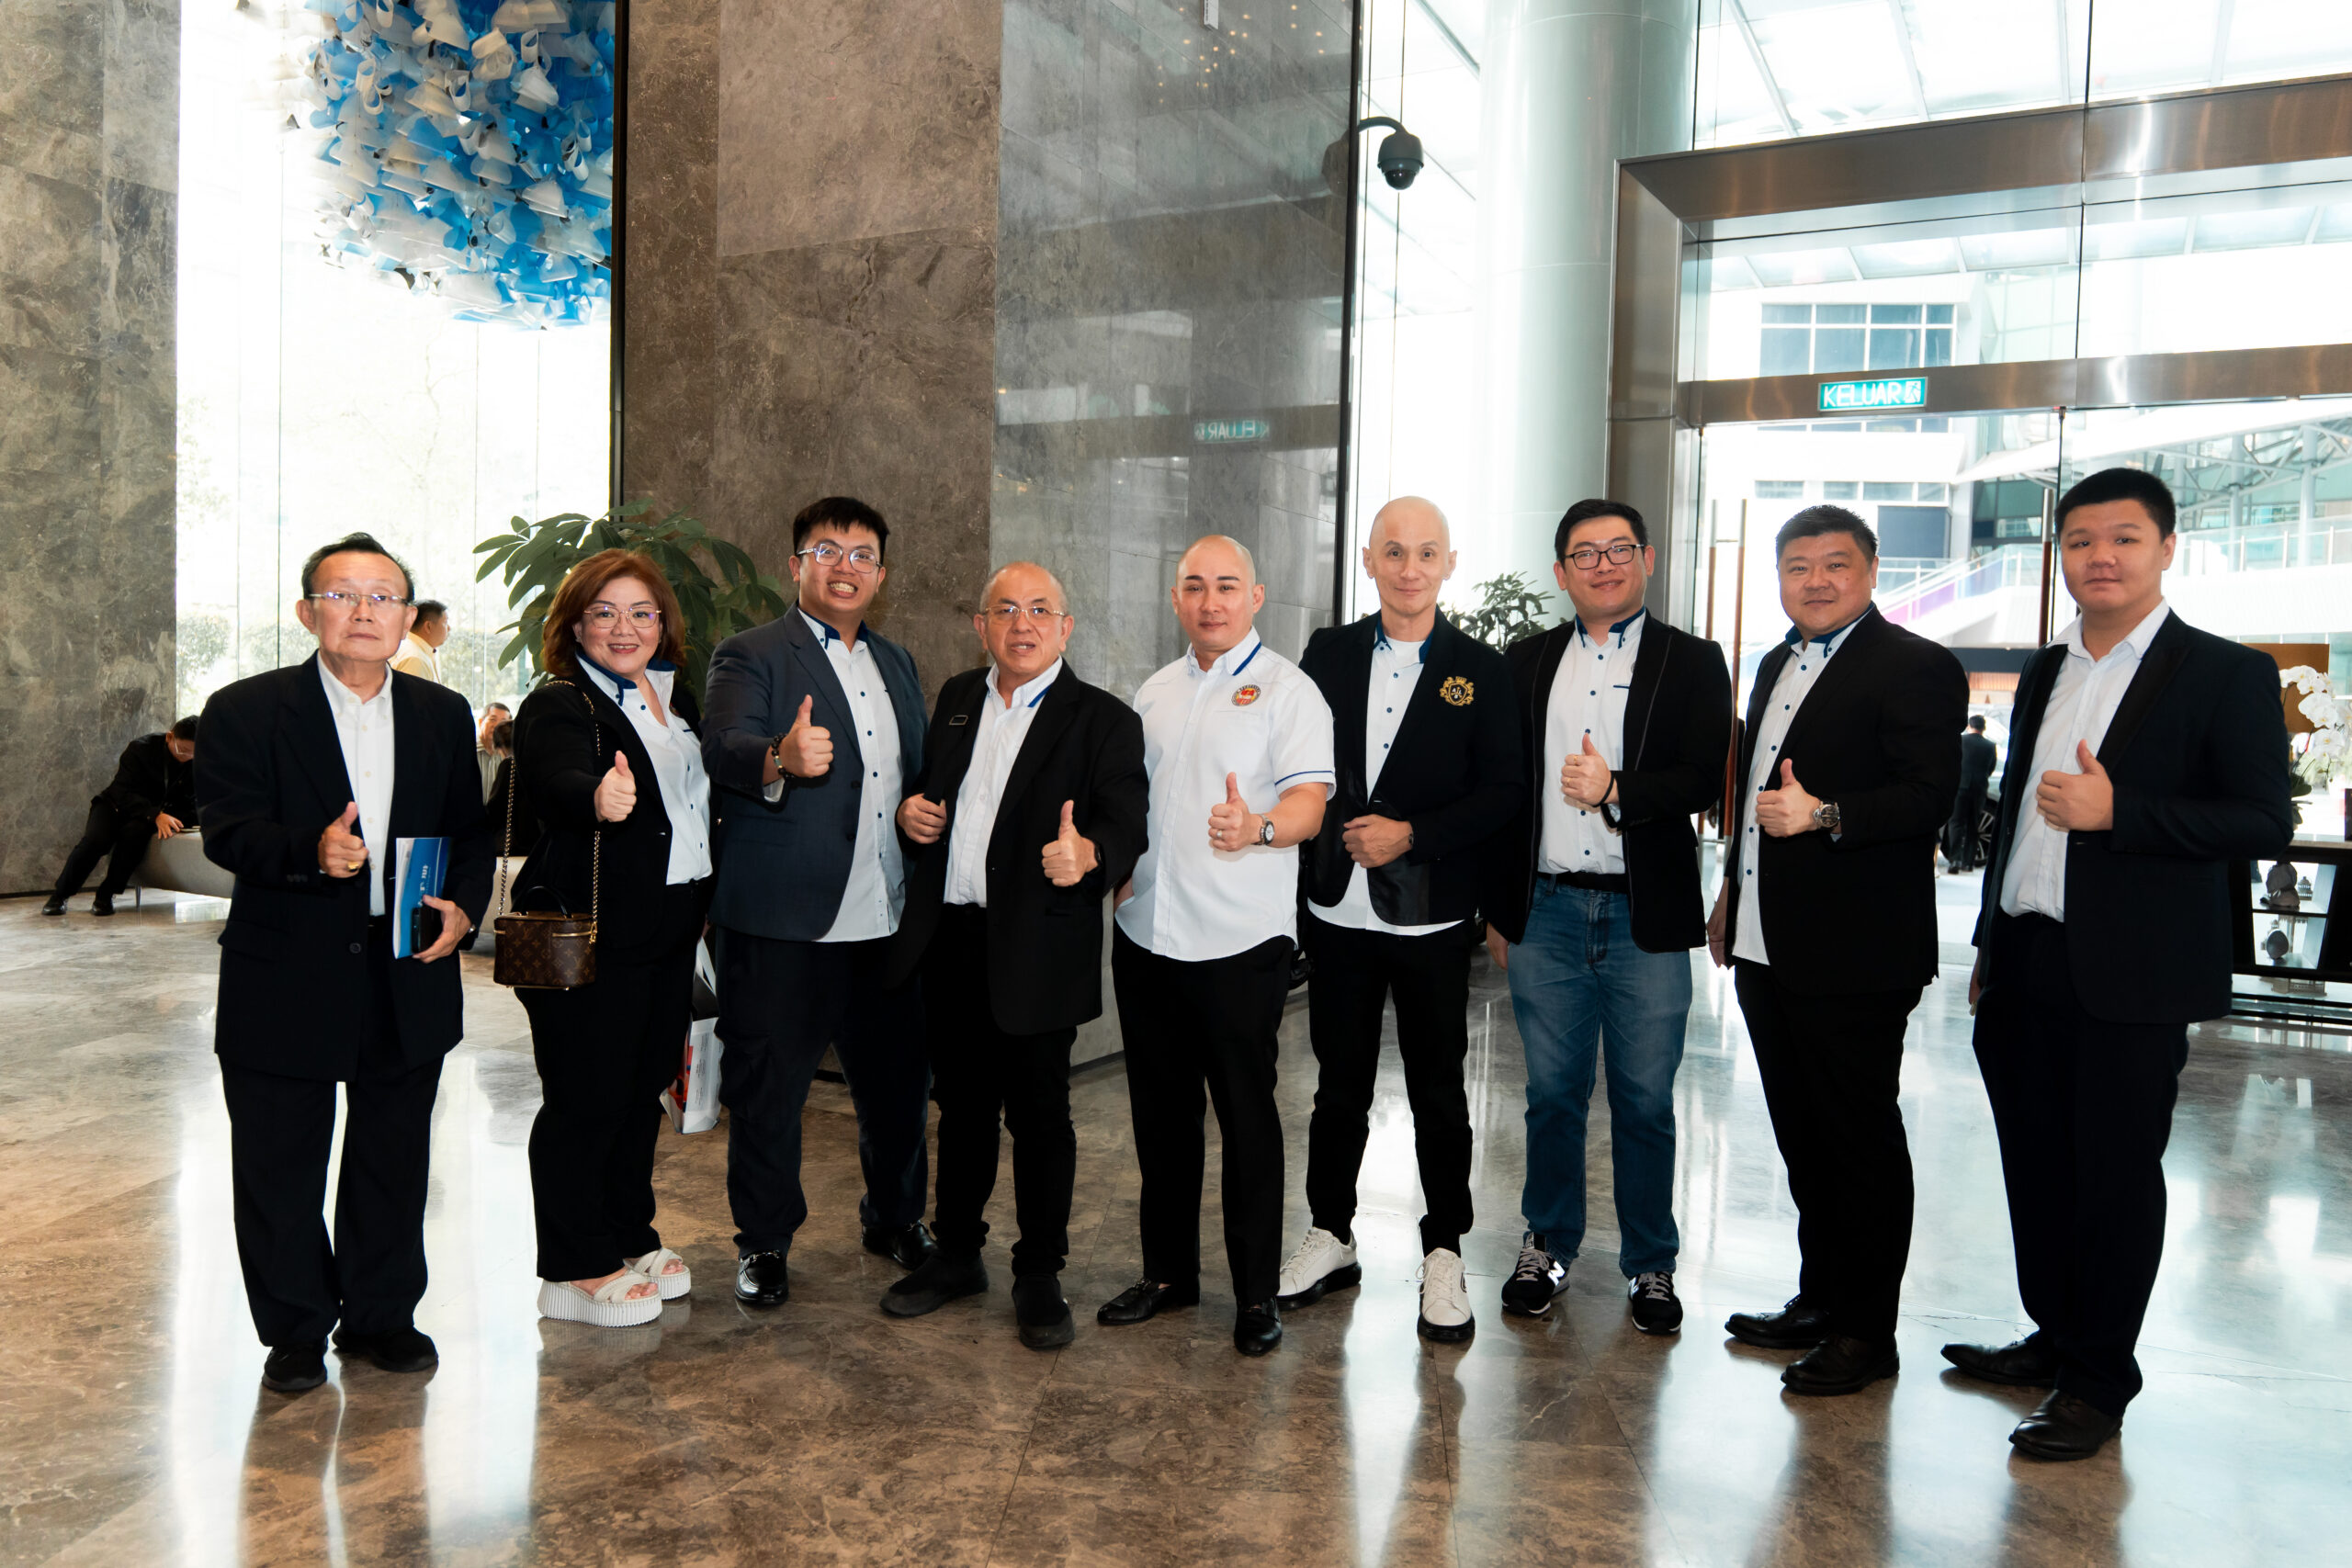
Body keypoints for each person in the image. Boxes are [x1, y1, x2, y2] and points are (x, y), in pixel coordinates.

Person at [1947, 468, 2292, 1460]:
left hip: (2132, 975)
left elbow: (2263, 819)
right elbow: (2017, 820)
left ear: (2166, 548)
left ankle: (2099, 1380)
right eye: (2081, 540)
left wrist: (2121, 813)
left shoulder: (2225, 672)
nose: (2101, 557)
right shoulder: (2046, 669)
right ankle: (2055, 1336)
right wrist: (1989, 942)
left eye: (2124, 538)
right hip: (2025, 957)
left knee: (2113, 1177)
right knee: (2035, 1168)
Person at [193, 533, 492, 1394]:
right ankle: (294, 1330)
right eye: (343, 594)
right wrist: (309, 851)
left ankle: (381, 1314)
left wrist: (464, 905)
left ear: (407, 616)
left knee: (392, 1154)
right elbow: (227, 830)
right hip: (284, 968)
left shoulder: (442, 713)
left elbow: (469, 833)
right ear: (306, 612)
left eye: (382, 596)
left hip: (408, 961)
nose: (364, 611)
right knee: (279, 1162)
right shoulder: (244, 709)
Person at [1706, 504, 1965, 1396]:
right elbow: (1753, 800)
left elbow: (1929, 797)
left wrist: (1823, 815)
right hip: (1765, 941)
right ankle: (1820, 1299)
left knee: (1858, 1141)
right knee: (1803, 1136)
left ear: (1872, 569)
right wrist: (1731, 895)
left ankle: (1866, 1332)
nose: (1815, 581)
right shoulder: (1774, 663)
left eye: (1835, 564)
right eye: (1798, 566)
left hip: (1856, 949)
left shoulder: (1916, 666)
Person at [880, 562, 1149, 1348]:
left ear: (1066, 628)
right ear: (981, 625)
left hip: (1039, 944)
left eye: (1039, 609)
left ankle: (1039, 1272)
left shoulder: (1103, 719)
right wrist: (911, 812)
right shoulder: (960, 698)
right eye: (1004, 609)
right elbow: (933, 794)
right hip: (953, 939)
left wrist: (1091, 854)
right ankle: (957, 1254)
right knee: (962, 1108)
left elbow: (1126, 820)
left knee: (1039, 1117)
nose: (1021, 623)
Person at [1482, 498, 1732, 1335]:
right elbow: (1506, 789)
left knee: (1645, 1099)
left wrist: (1618, 787)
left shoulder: (1692, 660)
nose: (1603, 565)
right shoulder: (1525, 661)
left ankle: (1651, 1263)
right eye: (1584, 554)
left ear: (1646, 559)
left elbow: (1703, 775)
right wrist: (1499, 908)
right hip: (1547, 909)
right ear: (1561, 572)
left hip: (1643, 915)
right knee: (1552, 1094)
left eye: (1619, 549)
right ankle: (1547, 1244)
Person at [1279, 497, 1522, 1344]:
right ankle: (1330, 1232)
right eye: (1393, 551)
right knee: (1337, 1086)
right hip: (1338, 908)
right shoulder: (1327, 652)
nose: (1409, 568)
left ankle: (1445, 1249)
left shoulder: (1481, 670)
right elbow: (1297, 757)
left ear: (1449, 563)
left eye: (1425, 553)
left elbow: (1503, 791)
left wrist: (1413, 833)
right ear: (1369, 560)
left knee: (1437, 1091)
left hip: (1430, 917)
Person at [1101, 535, 1334, 1357]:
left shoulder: (1290, 691)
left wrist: (1259, 825)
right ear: (1176, 599)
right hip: (1148, 936)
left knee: (1246, 1121)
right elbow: (1132, 798)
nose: (1211, 601)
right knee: (1161, 1119)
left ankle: (1255, 1293)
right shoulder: (1155, 690)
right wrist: (1120, 870)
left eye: (1227, 586)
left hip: (1240, 943)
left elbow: (1310, 803)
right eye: (1195, 586)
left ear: (1255, 596)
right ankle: (1168, 1274)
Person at [700, 496, 933, 1308]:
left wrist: (916, 811)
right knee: (769, 1093)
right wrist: (779, 755)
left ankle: (896, 1218)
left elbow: (906, 774)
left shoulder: (898, 662)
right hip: (783, 921)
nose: (845, 566)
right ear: (796, 564)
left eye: (862, 554)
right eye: (826, 550)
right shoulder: (751, 653)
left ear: (881, 574)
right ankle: (764, 1242)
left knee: (899, 1089)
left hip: (885, 919)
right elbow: (723, 747)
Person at [509, 551, 714, 1326]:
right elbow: (554, 781)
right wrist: (595, 795)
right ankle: (572, 1264)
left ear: (663, 623)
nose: (624, 628)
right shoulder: (559, 704)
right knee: (585, 1097)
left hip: (669, 928)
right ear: (575, 625)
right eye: (604, 611)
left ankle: (629, 1235)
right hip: (591, 933)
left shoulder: (675, 699)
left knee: (640, 1091)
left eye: (641, 612)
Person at [42, 716, 200, 916]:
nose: (187, 757)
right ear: (170, 737)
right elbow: (122, 791)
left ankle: (105, 895)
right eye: (183, 750)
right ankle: (60, 895)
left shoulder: (198, 759)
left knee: (134, 838)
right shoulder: (140, 748)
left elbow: (194, 798)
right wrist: (155, 815)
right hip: (115, 805)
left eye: (193, 752)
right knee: (96, 841)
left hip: (148, 817)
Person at [1947, 716, 1997, 872]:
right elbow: (1991, 768)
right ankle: (1968, 863)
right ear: (1983, 728)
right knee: (1973, 825)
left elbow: (1952, 762)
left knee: (1956, 823)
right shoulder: (1990, 746)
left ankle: (1955, 860)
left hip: (1961, 787)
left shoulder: (1961, 740)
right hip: (1979, 789)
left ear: (1969, 726)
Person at [392, 600, 450, 683]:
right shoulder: (416, 659)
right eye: (445, 622)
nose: (449, 628)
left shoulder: (414, 650)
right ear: (429, 626)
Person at [477, 701, 513, 801]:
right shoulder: (467, 750)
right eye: (493, 719)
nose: (497, 725)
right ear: (480, 722)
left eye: (503, 722)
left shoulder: (509, 756)